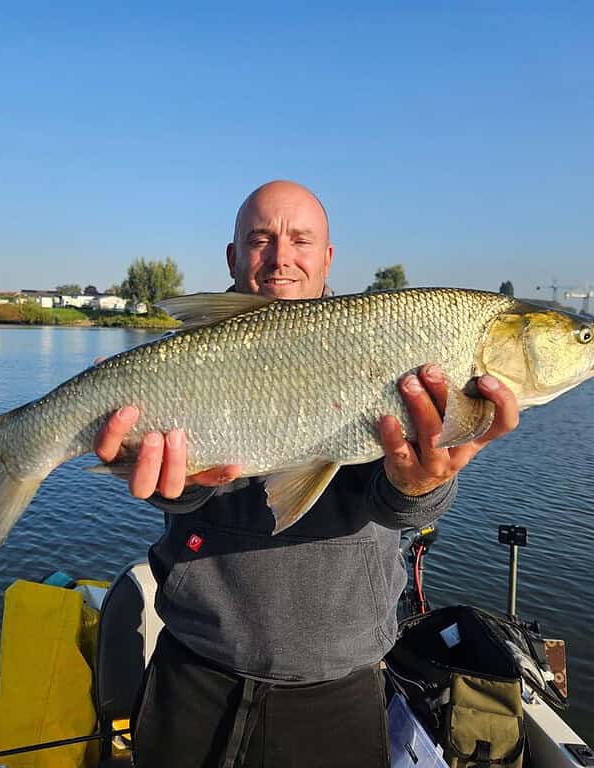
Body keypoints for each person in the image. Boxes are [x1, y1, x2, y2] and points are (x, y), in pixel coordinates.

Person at [94, 180, 520, 767]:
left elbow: (394, 505)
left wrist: (420, 484)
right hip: (193, 665)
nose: (280, 257)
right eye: (260, 240)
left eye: (300, 240)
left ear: (327, 257)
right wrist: (178, 483)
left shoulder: (384, 340)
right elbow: (178, 496)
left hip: (337, 681)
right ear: (233, 257)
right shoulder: (187, 358)